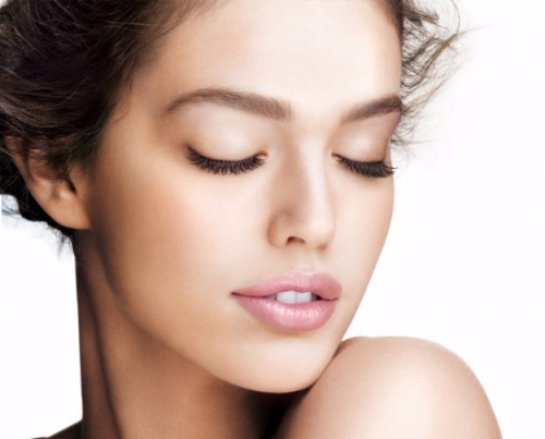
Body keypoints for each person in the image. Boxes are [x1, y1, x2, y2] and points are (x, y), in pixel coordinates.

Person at [0, 0, 502, 437]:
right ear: (56, 166)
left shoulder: (403, 407)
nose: (316, 221)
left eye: (362, 154)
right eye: (231, 152)